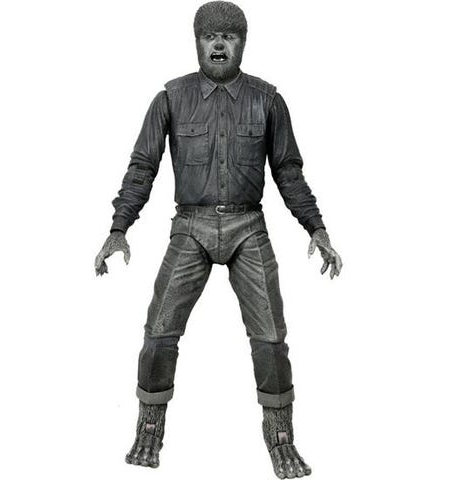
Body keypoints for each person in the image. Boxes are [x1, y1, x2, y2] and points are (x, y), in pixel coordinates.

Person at [95, 2, 342, 478]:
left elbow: (289, 172)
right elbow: (142, 167)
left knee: (271, 337)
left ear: (243, 44)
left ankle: (281, 439)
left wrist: (317, 227)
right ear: (197, 42)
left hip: (249, 226)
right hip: (191, 226)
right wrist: (118, 229)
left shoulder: (268, 100)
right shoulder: (171, 98)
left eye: (229, 36)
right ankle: (149, 428)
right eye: (211, 36)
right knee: (159, 330)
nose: (220, 45)